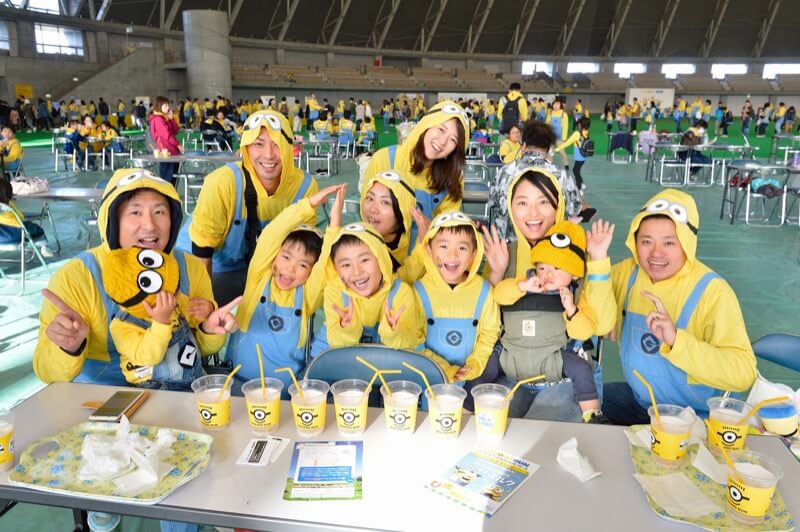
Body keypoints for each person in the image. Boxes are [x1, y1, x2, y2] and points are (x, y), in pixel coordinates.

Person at [585, 190, 757, 425]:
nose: (656, 253)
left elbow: (743, 373)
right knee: (578, 403)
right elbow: (594, 318)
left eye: (669, 242)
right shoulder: (627, 274)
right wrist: (597, 260)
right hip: (641, 402)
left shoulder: (713, 291)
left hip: (696, 417)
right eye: (646, 241)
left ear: (687, 243)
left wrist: (677, 340)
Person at [482, 167, 612, 421]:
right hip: (513, 371)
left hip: (566, 376)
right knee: (490, 424)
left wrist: (597, 260)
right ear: (510, 207)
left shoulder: (580, 255)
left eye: (543, 202)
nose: (533, 213)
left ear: (558, 205)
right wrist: (496, 274)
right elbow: (485, 325)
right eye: (522, 203)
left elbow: (602, 325)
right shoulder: (503, 253)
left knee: (537, 432)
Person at [176, 110, 318, 305]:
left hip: (259, 264)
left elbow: (302, 252)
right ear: (246, 148)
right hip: (208, 262)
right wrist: (206, 306)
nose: (269, 155)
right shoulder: (222, 183)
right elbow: (202, 254)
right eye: (259, 144)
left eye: (277, 144)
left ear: (288, 147)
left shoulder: (305, 187)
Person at [228, 184, 343, 395]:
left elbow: (327, 268)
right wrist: (308, 205)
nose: (290, 269)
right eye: (286, 257)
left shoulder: (307, 296)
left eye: (303, 265)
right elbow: (271, 234)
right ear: (274, 255)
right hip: (238, 384)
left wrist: (334, 226)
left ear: (311, 271)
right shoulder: (258, 278)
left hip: (285, 394)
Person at [309, 188, 422, 357]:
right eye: (346, 264)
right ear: (337, 269)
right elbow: (336, 344)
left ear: (381, 260)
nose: (357, 271)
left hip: (381, 360)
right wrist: (346, 328)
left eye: (364, 260)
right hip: (334, 356)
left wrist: (392, 332)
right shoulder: (335, 291)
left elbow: (409, 342)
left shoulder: (400, 292)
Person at [103, 247, 224, 389]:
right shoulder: (122, 326)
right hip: (153, 387)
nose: (178, 293)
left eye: (177, 286)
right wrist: (161, 322)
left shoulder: (177, 301)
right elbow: (149, 357)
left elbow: (198, 320)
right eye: (173, 291)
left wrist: (209, 312)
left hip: (195, 378)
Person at [414, 211, 500, 384]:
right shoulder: (418, 291)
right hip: (427, 379)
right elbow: (413, 340)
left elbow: (490, 333)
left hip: (471, 380)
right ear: (429, 250)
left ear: (474, 254)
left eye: (462, 248)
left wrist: (474, 365)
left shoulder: (484, 291)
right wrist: (445, 369)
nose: (452, 255)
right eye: (443, 246)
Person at [365, 100, 469, 220]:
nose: (442, 142)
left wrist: (430, 228)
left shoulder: (453, 178)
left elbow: (446, 227)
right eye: (441, 129)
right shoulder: (384, 159)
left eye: (453, 140)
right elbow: (367, 216)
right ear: (426, 124)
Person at [360, 169, 419, 274]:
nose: (373, 209)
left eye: (385, 202)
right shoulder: (354, 243)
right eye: (369, 198)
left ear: (403, 212)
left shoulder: (419, 244)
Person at [149, 96, 183, 185]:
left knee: (173, 177)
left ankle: (171, 193)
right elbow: (167, 136)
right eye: (165, 106)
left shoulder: (165, 118)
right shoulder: (158, 119)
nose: (168, 108)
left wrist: (171, 119)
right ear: (159, 106)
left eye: (168, 105)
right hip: (166, 151)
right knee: (167, 178)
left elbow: (175, 131)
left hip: (172, 151)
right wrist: (178, 145)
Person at [554, 117, 592, 191]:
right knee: (576, 170)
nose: (578, 124)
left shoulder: (577, 133)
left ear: (581, 125)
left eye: (579, 123)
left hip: (579, 156)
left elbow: (567, 143)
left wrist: (557, 149)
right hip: (584, 155)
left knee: (575, 170)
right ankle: (581, 183)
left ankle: (579, 188)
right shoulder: (586, 132)